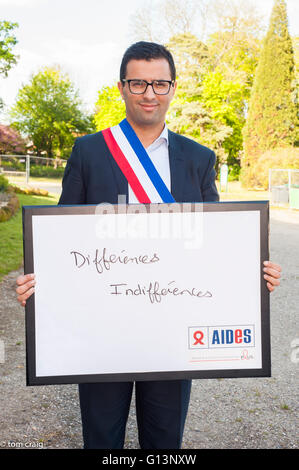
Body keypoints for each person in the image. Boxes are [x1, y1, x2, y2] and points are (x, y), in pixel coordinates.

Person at [15, 42, 282, 449]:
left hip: (173, 332)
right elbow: (62, 237)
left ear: (173, 88)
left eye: (160, 83)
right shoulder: (89, 151)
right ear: (121, 87)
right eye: (138, 82)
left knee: (164, 440)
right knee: (101, 437)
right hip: (103, 328)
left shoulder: (198, 158)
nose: (149, 93)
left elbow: (216, 240)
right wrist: (38, 283)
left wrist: (252, 271)